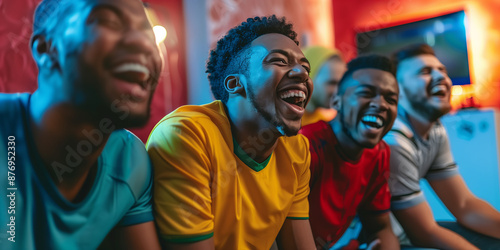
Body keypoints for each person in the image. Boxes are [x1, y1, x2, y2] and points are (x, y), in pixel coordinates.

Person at [0, 0, 163, 249]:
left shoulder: (130, 161)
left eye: (148, 33)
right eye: (107, 20)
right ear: (46, 49)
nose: (144, 43)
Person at [146, 15, 315, 249]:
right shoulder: (188, 135)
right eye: (279, 61)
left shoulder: (297, 150)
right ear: (235, 84)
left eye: (305, 67)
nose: (302, 74)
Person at [385, 43, 500, 249]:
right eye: (425, 72)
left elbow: (464, 205)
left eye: (442, 71)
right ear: (396, 90)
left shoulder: (435, 130)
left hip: (408, 233)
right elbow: (424, 234)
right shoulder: (394, 140)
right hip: (387, 241)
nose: (441, 78)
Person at [300, 54, 400, 250]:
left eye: (391, 99)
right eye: (366, 93)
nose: (381, 104)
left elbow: (379, 228)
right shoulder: (305, 147)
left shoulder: (379, 153)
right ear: (336, 102)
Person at [301, 46, 346, 126]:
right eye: (332, 83)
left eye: (340, 84)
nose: (337, 91)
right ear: (308, 78)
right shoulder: (282, 123)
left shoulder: (323, 125)